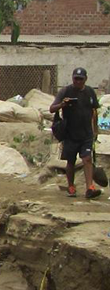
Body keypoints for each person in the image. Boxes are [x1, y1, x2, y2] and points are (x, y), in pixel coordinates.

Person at [51, 67, 102, 198]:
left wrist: (95, 130)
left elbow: (94, 111)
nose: (78, 81)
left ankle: (90, 188)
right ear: (72, 78)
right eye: (76, 79)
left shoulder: (90, 92)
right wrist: (62, 104)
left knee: (87, 159)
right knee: (71, 162)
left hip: (86, 134)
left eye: (81, 79)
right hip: (70, 134)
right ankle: (71, 186)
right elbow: (52, 109)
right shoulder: (66, 91)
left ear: (86, 79)